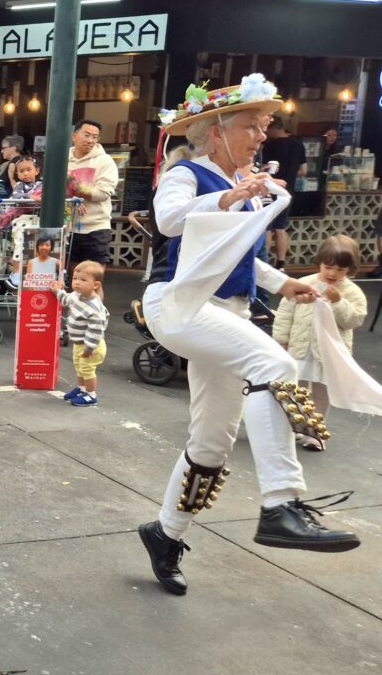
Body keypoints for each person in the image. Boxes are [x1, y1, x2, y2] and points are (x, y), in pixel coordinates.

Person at [138, 75, 359, 598]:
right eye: (251, 126)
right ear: (214, 132)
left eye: (263, 127)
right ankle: (281, 503)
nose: (262, 135)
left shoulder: (245, 183)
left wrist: (287, 284)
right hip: (180, 303)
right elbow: (168, 220)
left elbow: (242, 258)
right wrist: (231, 197)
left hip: (225, 310)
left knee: (211, 443)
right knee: (276, 366)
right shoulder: (186, 174)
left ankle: (164, 533)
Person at [272, 235, 367, 451]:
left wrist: (338, 302)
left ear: (350, 270)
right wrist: (281, 340)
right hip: (299, 347)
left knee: (321, 394)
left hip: (329, 353)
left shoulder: (352, 292)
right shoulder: (305, 283)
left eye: (341, 270)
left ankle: (315, 431)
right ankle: (295, 426)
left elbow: (354, 319)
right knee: (296, 389)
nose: (333, 273)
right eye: (328, 267)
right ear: (320, 264)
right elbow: (286, 312)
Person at [52, 261, 107, 407]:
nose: (77, 283)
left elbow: (96, 330)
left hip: (91, 345)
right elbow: (66, 299)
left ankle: (91, 395)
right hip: (79, 343)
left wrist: (89, 348)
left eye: (83, 280)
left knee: (87, 369)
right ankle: (82, 389)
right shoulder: (76, 296)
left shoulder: (94, 306)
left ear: (95, 285)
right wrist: (57, 291)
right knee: (79, 367)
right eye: (75, 278)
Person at [66, 120, 118, 273]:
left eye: (95, 137)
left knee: (94, 279)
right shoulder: (62, 160)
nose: (90, 140)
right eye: (86, 135)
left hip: (96, 228)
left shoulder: (105, 161)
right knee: (73, 277)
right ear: (74, 136)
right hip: (69, 227)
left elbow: (103, 193)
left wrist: (76, 189)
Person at [261, 116, 306, 271]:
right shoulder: (298, 144)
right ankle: (280, 264)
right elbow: (303, 171)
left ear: (273, 128)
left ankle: (264, 262)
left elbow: (263, 168)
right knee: (280, 227)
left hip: (269, 189)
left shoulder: (270, 145)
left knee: (266, 226)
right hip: (287, 191)